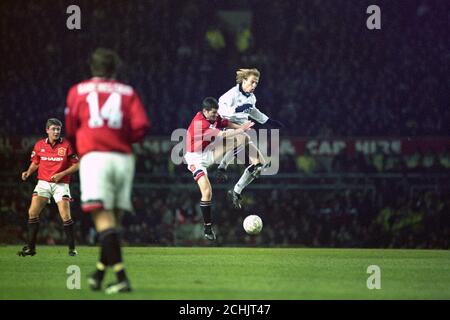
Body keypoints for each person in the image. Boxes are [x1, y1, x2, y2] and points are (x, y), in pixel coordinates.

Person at [65, 48, 151, 294]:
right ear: (115, 69)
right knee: (113, 221)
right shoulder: (128, 92)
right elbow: (142, 126)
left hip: (95, 157)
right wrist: (122, 137)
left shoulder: (77, 91)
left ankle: (122, 277)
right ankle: (99, 274)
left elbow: (71, 128)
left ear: (92, 67)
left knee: (103, 221)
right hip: (123, 159)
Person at [184, 97, 254, 240]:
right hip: (195, 159)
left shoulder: (213, 117)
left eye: (217, 113)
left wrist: (242, 128)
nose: (216, 115)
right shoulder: (200, 123)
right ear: (205, 111)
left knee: (242, 138)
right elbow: (222, 133)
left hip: (208, 152)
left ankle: (222, 167)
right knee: (207, 192)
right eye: (213, 113)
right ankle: (208, 228)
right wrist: (241, 128)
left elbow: (225, 123)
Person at [217, 68, 284, 209]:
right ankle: (222, 165)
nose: (254, 86)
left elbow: (254, 112)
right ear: (243, 80)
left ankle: (236, 191)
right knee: (243, 138)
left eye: (256, 83)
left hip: (241, 130)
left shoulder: (252, 98)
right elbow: (221, 111)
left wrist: (269, 121)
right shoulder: (230, 95)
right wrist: (238, 109)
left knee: (259, 164)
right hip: (225, 128)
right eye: (252, 82)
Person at [18, 118, 79, 257]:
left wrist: (61, 174)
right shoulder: (39, 145)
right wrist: (28, 172)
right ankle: (31, 248)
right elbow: (35, 162)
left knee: (65, 215)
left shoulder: (66, 145)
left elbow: (76, 164)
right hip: (43, 183)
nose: (56, 131)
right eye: (53, 129)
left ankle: (72, 248)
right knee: (32, 212)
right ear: (47, 130)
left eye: (58, 129)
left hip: (61, 184)